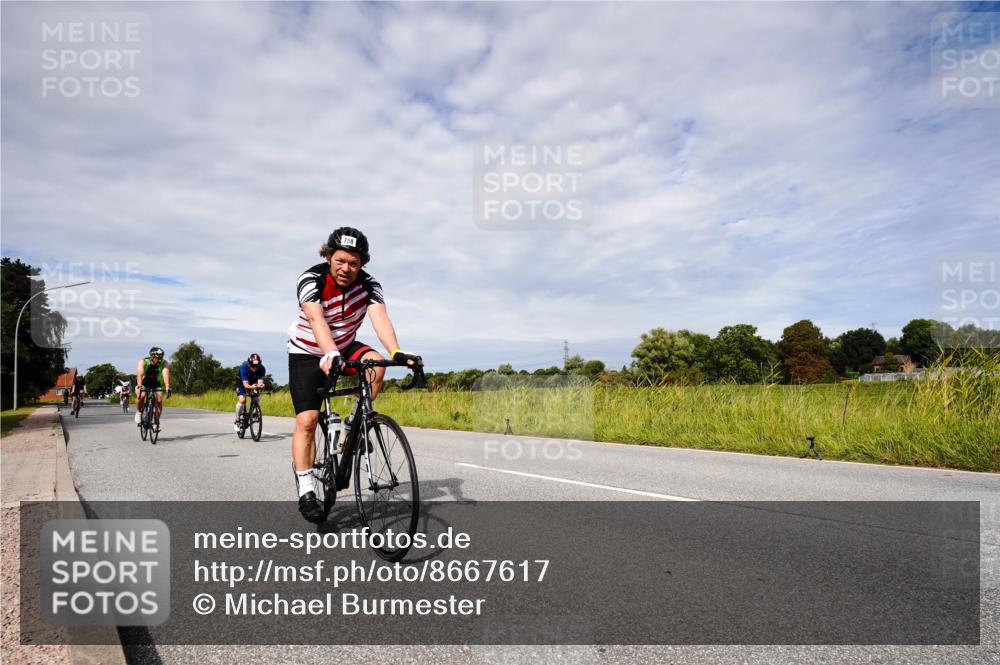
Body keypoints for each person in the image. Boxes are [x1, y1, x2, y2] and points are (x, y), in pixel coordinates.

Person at [287, 227, 419, 523]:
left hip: (346, 346)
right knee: (307, 421)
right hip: (307, 351)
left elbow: (380, 319)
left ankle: (355, 424)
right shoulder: (311, 279)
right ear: (329, 256)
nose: (347, 268)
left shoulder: (370, 286)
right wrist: (329, 353)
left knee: (377, 363)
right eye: (341, 261)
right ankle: (307, 488)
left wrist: (396, 351)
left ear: (362, 264)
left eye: (354, 263)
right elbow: (315, 318)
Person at [135, 347, 172, 431]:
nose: (159, 360)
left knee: (159, 400)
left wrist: (167, 386)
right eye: (158, 358)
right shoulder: (144, 361)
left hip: (156, 383)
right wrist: (140, 386)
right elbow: (140, 372)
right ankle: (138, 412)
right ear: (151, 357)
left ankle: (156, 422)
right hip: (143, 382)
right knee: (142, 395)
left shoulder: (164, 363)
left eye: (161, 358)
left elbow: (165, 373)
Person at [235, 353, 266, 432]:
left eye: (257, 366)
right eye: (253, 366)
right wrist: (252, 387)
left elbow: (259, 382)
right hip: (242, 382)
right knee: (242, 400)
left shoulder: (262, 369)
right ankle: (237, 419)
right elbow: (246, 385)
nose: (255, 368)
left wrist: (260, 386)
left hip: (253, 380)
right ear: (249, 364)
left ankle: (254, 412)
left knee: (256, 395)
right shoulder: (244, 368)